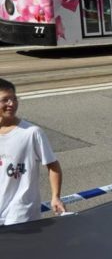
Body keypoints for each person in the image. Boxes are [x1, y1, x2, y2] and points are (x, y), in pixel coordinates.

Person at [0, 78, 65, 225]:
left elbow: (53, 165)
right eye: (5, 100)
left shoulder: (31, 132)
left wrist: (56, 196)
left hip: (21, 213)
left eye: (14, 99)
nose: (11, 104)